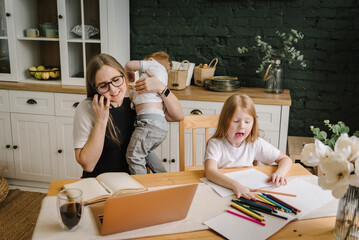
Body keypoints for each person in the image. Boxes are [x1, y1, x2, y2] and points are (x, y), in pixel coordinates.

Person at [73, 53, 183, 178]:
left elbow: (177, 116)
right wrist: (101, 121)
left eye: (116, 80)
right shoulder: (87, 108)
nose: (113, 90)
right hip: (99, 182)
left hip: (131, 182)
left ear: (123, 75)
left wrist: (162, 88)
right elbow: (88, 165)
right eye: (103, 85)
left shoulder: (134, 99)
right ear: (95, 88)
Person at [204, 94, 292, 200]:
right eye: (236, 121)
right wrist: (235, 185)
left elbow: (285, 159)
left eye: (247, 121)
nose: (242, 126)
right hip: (224, 191)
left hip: (248, 192)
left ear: (253, 123)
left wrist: (280, 173)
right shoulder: (215, 144)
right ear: (224, 122)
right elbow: (210, 172)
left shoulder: (254, 143)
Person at [124, 51, 172, 174]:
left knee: (133, 156)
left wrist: (129, 73)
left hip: (148, 124)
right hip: (159, 126)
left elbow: (129, 65)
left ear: (150, 60)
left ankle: (144, 187)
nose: (139, 73)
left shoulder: (154, 65)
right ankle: (162, 178)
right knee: (146, 153)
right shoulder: (162, 81)